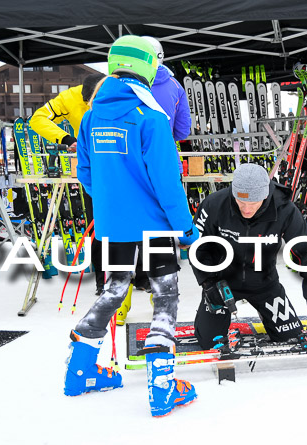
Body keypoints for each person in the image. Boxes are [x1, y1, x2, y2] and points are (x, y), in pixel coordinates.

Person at [64, 35, 200, 418]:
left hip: (111, 226)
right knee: (165, 297)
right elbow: (167, 183)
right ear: (148, 67)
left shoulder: (90, 116)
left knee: (114, 291)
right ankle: (162, 389)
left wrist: (113, 200)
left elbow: (86, 175)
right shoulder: (151, 118)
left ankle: (81, 372)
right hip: (153, 226)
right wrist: (186, 229)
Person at [191, 163, 307, 350]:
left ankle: (267, 314)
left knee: (290, 339)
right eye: (241, 202)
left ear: (266, 195)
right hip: (222, 284)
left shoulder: (285, 210)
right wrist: (208, 283)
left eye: (253, 203)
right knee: (210, 343)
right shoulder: (214, 204)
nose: (247, 210)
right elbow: (198, 248)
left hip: (265, 284)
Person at [115, 36, 192, 324]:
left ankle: (121, 306)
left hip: (125, 171)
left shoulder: (115, 86)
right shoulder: (174, 86)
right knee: (159, 234)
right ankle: (158, 298)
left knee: (124, 239)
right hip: (162, 163)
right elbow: (182, 130)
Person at [29, 73, 106, 295]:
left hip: (122, 167)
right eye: (87, 102)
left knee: (132, 222)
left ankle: (139, 277)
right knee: (97, 226)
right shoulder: (69, 97)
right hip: (91, 169)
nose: (90, 105)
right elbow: (38, 118)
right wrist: (66, 139)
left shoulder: (117, 94)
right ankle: (102, 280)